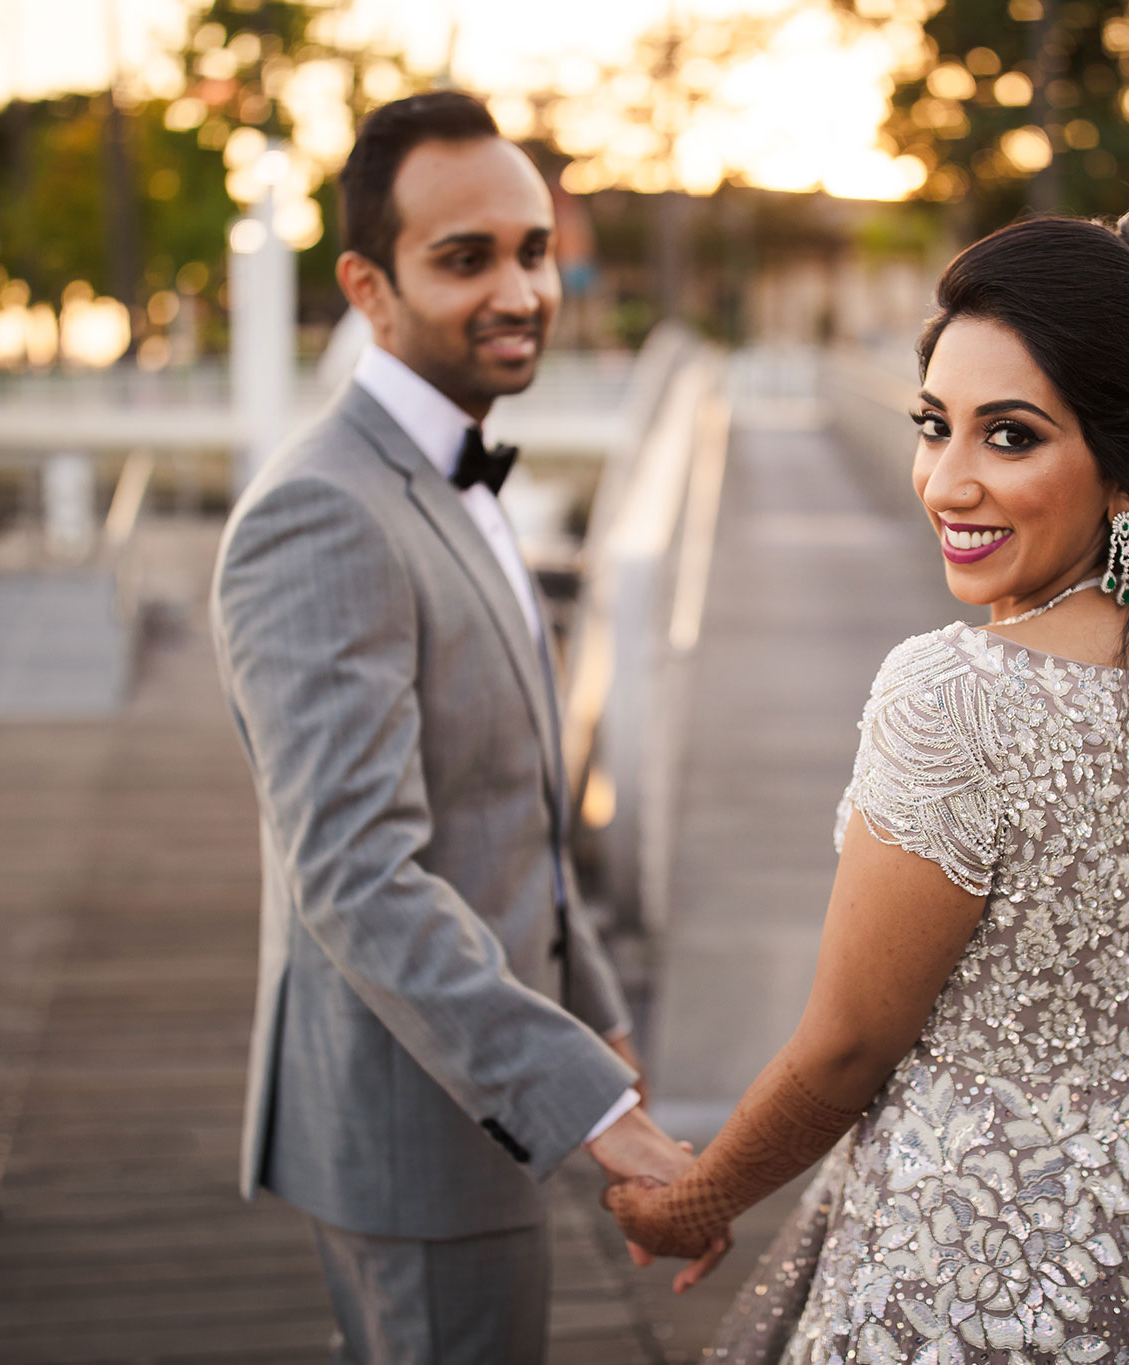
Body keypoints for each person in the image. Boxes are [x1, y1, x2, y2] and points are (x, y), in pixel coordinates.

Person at [605, 211, 1129, 1364]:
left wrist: (692, 1201)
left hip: (967, 1254)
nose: (946, 483)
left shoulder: (950, 695)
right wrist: (1083, 1032)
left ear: (1125, 466)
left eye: (1008, 437)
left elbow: (849, 1046)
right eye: (932, 426)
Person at [208, 90, 725, 1365]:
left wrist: (591, 1010)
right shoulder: (322, 515)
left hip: (484, 1071)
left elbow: (511, 805)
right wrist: (593, 1108)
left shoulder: (459, 470)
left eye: (532, 250)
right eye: (464, 258)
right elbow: (358, 873)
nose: (517, 289)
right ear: (367, 287)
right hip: (415, 1132)